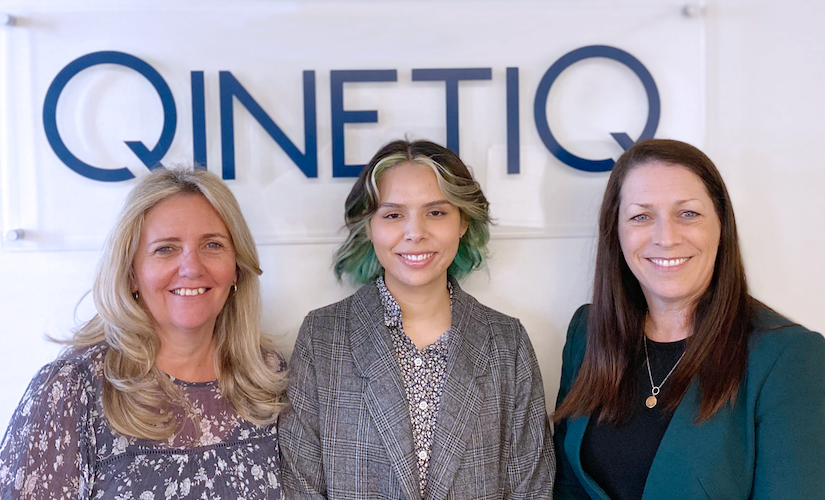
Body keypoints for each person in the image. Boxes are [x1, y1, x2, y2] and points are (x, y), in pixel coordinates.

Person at [279, 139, 555, 499]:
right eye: (393, 214)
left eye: (436, 212)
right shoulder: (322, 338)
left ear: (463, 222)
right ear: (369, 227)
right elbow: (302, 487)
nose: (415, 232)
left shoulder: (506, 342)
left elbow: (531, 488)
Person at [553, 139, 825, 500]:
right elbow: (569, 485)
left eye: (688, 214)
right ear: (616, 232)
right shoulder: (588, 333)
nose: (666, 237)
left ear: (720, 225)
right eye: (641, 216)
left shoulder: (790, 356)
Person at [0, 167, 288, 499]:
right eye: (166, 249)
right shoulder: (72, 389)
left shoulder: (266, 377)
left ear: (237, 267)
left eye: (212, 244)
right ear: (132, 274)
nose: (192, 267)